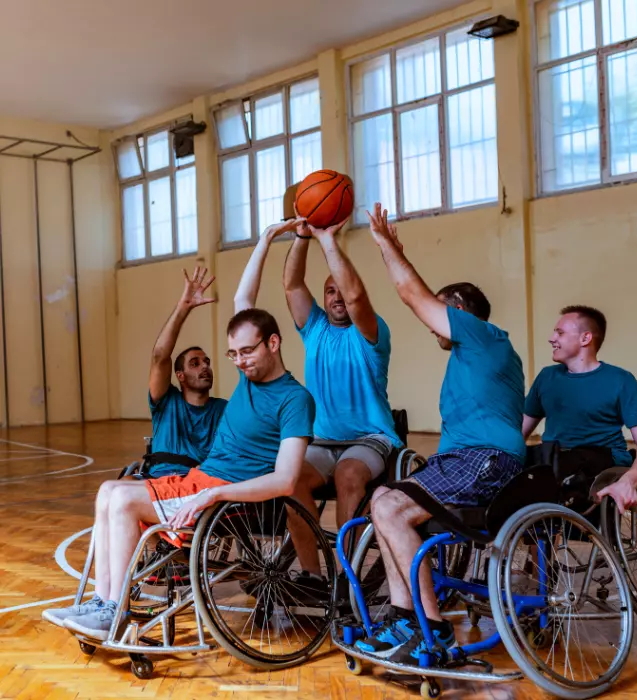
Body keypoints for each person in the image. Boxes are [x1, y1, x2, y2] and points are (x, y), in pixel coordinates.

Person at [42, 219, 315, 641]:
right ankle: (102, 603)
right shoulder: (248, 380)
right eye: (233, 354)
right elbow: (245, 297)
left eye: (247, 352)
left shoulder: (295, 400)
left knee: (124, 504)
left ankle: (114, 610)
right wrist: (264, 239)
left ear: (273, 344)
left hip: (225, 498)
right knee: (108, 491)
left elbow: (285, 479)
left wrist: (216, 492)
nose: (238, 362)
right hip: (201, 481)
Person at [355, 203, 526, 665]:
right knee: (383, 505)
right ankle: (403, 619)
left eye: (442, 305)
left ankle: (431, 628)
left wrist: (387, 247)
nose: (433, 315)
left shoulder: (483, 334)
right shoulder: (471, 358)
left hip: (485, 458)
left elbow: (413, 294)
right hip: (465, 459)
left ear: (459, 311)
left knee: (388, 505)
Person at [282, 214, 401, 584]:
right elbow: (291, 284)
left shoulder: (372, 331)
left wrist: (328, 241)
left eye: (340, 291)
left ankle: (345, 576)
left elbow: (356, 295)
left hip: (370, 439)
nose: (337, 298)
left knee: (350, 474)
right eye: (329, 291)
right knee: (289, 478)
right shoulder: (314, 328)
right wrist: (303, 237)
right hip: (322, 442)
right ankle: (313, 576)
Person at [522, 305, 637, 514]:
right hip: (555, 459)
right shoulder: (547, 377)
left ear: (585, 338)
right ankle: (534, 543)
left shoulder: (620, 381)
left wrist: (628, 481)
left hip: (599, 461)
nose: (552, 338)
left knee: (559, 467)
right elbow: (519, 432)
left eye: (560, 333)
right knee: (527, 465)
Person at [147, 266, 227, 478]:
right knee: (112, 488)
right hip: (157, 480)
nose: (205, 366)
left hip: (194, 484)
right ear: (180, 375)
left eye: (206, 362)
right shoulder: (166, 402)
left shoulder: (222, 409)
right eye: (195, 363)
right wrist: (184, 308)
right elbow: (159, 356)